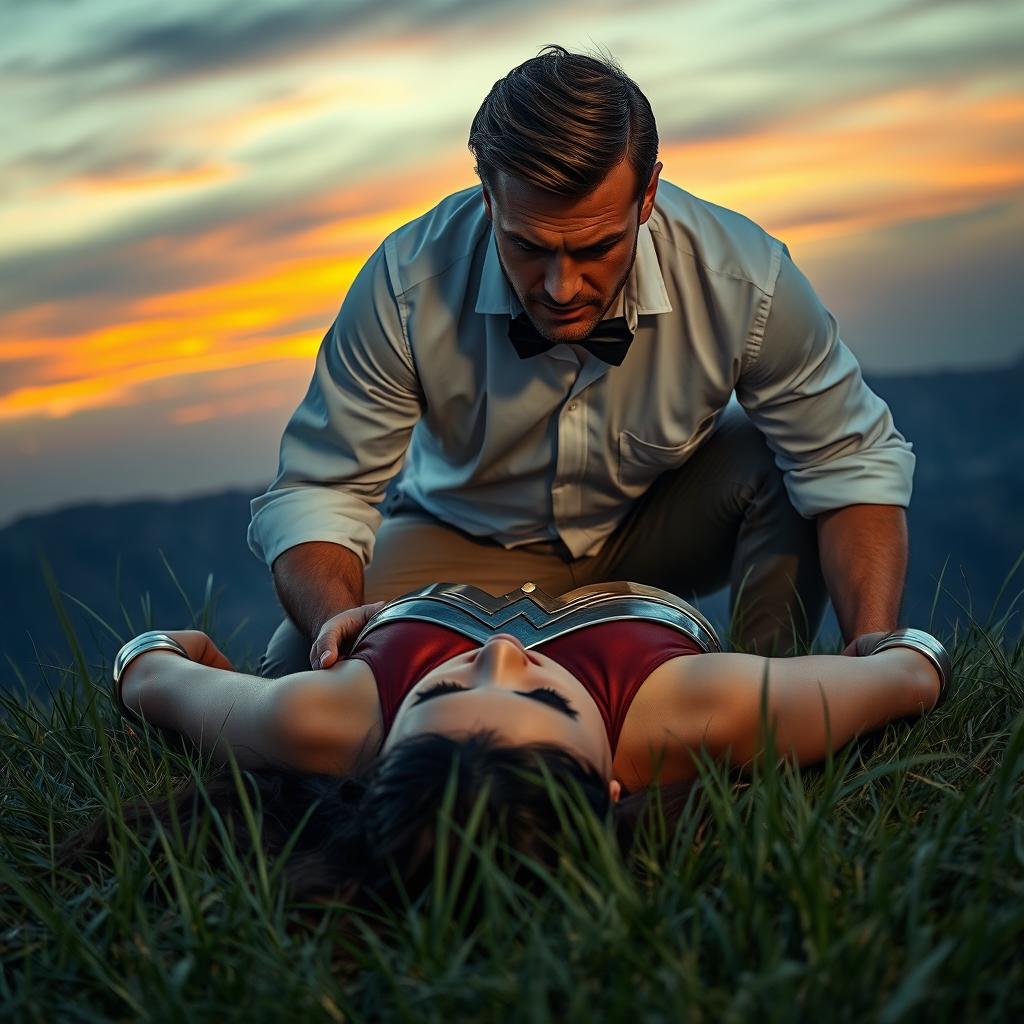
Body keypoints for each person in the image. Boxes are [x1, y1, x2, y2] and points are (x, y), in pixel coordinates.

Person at [248, 46, 915, 677]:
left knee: (780, 458)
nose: (562, 288)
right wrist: (341, 621)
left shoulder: (746, 279)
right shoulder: (404, 283)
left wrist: (876, 650)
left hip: (656, 531)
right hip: (463, 543)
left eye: (595, 248)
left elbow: (849, 462)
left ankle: (765, 717)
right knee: (297, 660)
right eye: (529, 246)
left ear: (647, 196)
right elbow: (321, 491)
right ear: (488, 195)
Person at [72, 581, 949, 907]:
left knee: (288, 644)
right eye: (541, 696)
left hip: (429, 551)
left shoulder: (327, 722)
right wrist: (873, 651)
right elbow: (913, 673)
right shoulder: (702, 710)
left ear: (379, 759)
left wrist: (174, 653)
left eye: (442, 691)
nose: (496, 656)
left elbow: (149, 675)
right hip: (633, 544)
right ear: (611, 784)